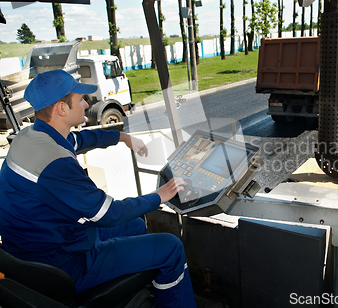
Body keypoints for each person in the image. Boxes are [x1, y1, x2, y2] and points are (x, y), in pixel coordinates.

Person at [0, 70, 196, 307]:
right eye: (79, 100)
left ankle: (139, 291)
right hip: (63, 263)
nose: (86, 104)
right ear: (61, 109)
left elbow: (81, 140)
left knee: (135, 225)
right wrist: (159, 196)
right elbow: (108, 213)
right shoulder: (55, 164)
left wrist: (123, 137)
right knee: (170, 247)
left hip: (33, 248)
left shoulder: (32, 135)